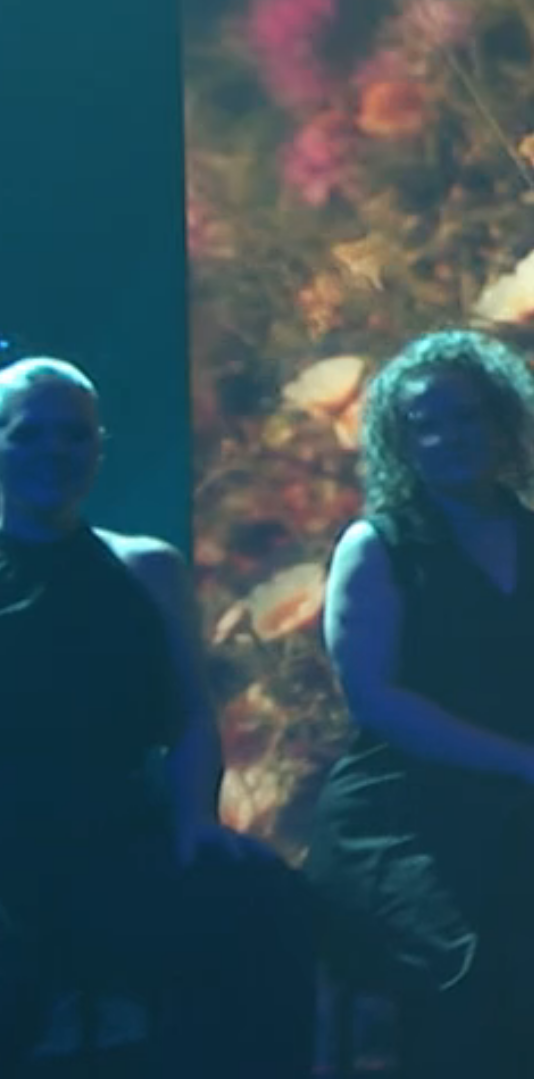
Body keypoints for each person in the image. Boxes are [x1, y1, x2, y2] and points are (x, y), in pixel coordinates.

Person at [306, 329, 534, 1078]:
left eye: (467, 417)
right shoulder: (376, 547)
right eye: (424, 425)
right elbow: (376, 700)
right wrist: (529, 763)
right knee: (469, 963)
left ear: (504, 423)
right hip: (406, 813)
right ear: (401, 445)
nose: (450, 437)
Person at [0, 355, 317, 1074]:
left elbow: (190, 719)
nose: (54, 450)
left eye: (74, 435)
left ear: (99, 448)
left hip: (114, 833)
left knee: (265, 906)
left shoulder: (147, 568)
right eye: (28, 433)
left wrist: (193, 821)